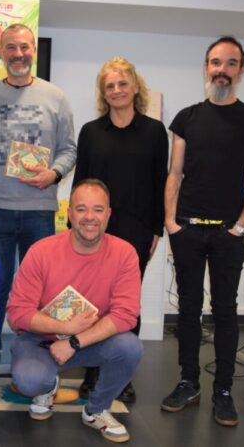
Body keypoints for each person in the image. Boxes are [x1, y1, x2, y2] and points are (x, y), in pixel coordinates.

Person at [162, 36, 244, 426]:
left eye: (230, 63)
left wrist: (241, 227)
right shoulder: (187, 117)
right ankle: (188, 381)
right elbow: (174, 173)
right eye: (214, 62)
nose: (221, 69)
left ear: (241, 71)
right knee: (188, 309)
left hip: (228, 234)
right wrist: (171, 222)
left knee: (224, 310)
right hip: (187, 229)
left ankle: (223, 390)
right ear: (206, 68)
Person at [0, 24, 76, 380]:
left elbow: (69, 149)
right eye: (11, 47)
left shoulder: (55, 97)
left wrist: (54, 175)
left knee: (43, 295)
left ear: (33, 51)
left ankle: (38, 364)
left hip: (40, 213)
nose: (19, 53)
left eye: (25, 47)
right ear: (1, 52)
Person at [7, 179, 142, 444]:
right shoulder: (41, 251)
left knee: (130, 347)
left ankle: (95, 410)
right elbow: (18, 313)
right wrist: (66, 328)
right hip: (40, 341)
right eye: (81, 209)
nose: (89, 217)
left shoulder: (125, 253)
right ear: (68, 213)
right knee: (29, 380)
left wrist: (74, 341)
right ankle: (47, 387)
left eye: (98, 209)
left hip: (89, 341)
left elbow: (126, 314)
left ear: (109, 214)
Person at [72, 56, 168, 403]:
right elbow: (80, 182)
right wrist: (75, 226)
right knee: (91, 300)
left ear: (135, 88)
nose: (116, 90)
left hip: (137, 227)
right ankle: (92, 372)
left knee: (126, 303)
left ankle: (120, 375)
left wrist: (156, 228)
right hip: (93, 227)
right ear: (103, 93)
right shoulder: (91, 132)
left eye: (122, 84)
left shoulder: (155, 132)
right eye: (109, 86)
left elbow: (161, 181)